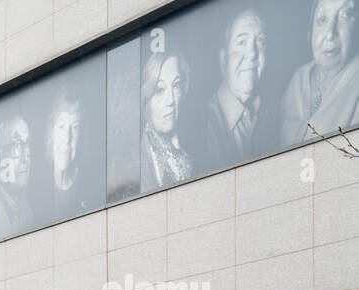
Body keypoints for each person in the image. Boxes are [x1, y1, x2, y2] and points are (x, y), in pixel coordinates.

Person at [198, 9, 277, 170]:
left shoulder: (274, 118)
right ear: (223, 59)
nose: (253, 53)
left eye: (260, 41)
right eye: (242, 42)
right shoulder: (199, 124)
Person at [281, 0, 359, 145]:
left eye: (345, 15)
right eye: (323, 19)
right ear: (310, 30)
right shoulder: (297, 79)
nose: (330, 33)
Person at [141, 50, 194, 191]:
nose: (170, 100)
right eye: (160, 90)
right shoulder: (141, 157)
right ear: (146, 99)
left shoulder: (186, 151)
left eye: (176, 85)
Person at [46, 87, 90, 221]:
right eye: (61, 127)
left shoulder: (89, 187)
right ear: (51, 133)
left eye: (75, 127)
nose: (67, 138)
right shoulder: (37, 183)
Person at [0, 115, 34, 238]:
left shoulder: (27, 211)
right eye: (17, 146)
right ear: (0, 157)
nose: (25, 158)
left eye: (27, 145)